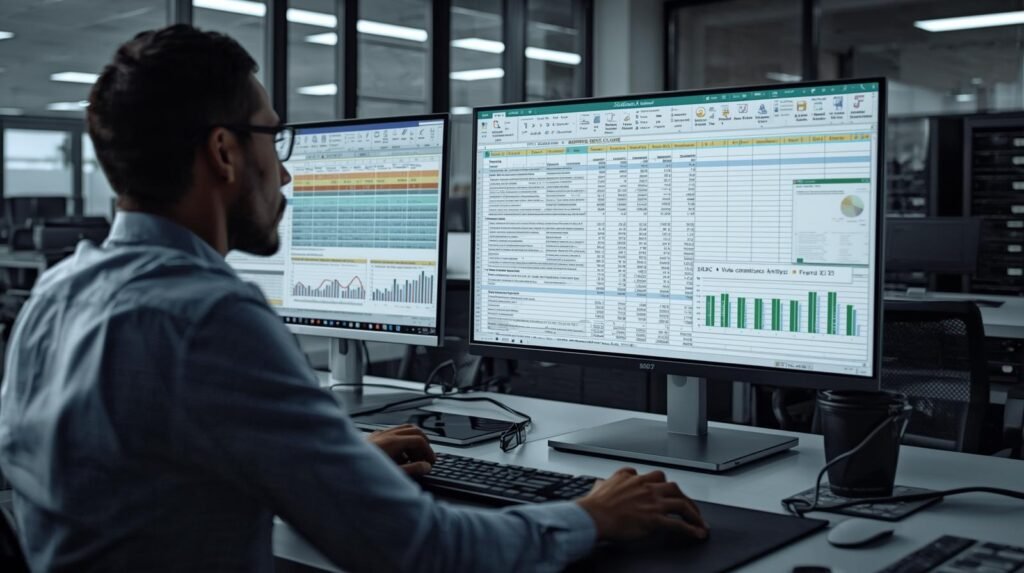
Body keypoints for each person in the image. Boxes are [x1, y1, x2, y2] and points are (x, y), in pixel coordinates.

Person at [0, 25, 708, 572]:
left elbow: (145, 476)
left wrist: (326, 457)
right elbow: (422, 550)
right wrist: (593, 514)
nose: (282, 172)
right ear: (222, 152)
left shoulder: (58, 293)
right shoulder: (208, 317)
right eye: (272, 139)